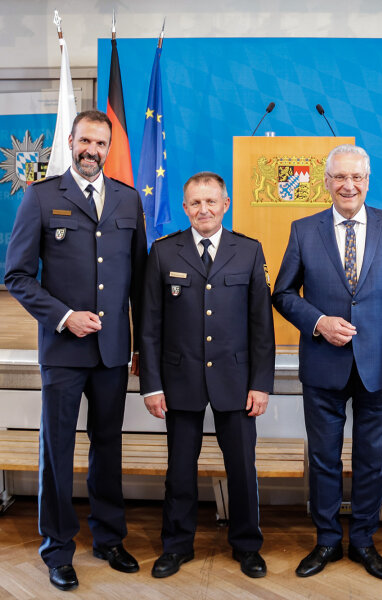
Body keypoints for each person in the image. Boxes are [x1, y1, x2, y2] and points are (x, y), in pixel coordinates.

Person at [5, 110, 147, 591]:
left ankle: (108, 538)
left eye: (101, 143)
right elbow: (17, 276)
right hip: (64, 352)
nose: (92, 150)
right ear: (70, 141)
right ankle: (58, 549)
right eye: (85, 140)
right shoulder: (41, 197)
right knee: (57, 450)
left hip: (112, 354)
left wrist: (141, 348)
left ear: (109, 148)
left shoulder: (129, 200)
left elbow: (141, 284)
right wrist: (65, 316)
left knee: (108, 448)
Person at [272, 144, 382, 581]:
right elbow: (281, 294)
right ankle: (325, 541)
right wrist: (317, 322)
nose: (348, 185)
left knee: (372, 458)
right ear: (326, 181)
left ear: (368, 181)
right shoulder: (304, 230)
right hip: (323, 362)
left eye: (356, 177)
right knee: (323, 458)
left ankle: (363, 541)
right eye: (340, 177)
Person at [140, 172, 275, 580]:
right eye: (195, 203)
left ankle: (247, 546)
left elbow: (261, 326)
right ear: (185, 208)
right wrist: (152, 385)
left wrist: (261, 384)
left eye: (211, 202)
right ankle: (176, 545)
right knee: (180, 469)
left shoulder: (249, 251)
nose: (203, 209)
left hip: (236, 381)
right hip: (180, 381)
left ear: (225, 204)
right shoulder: (163, 253)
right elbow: (149, 326)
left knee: (242, 468)